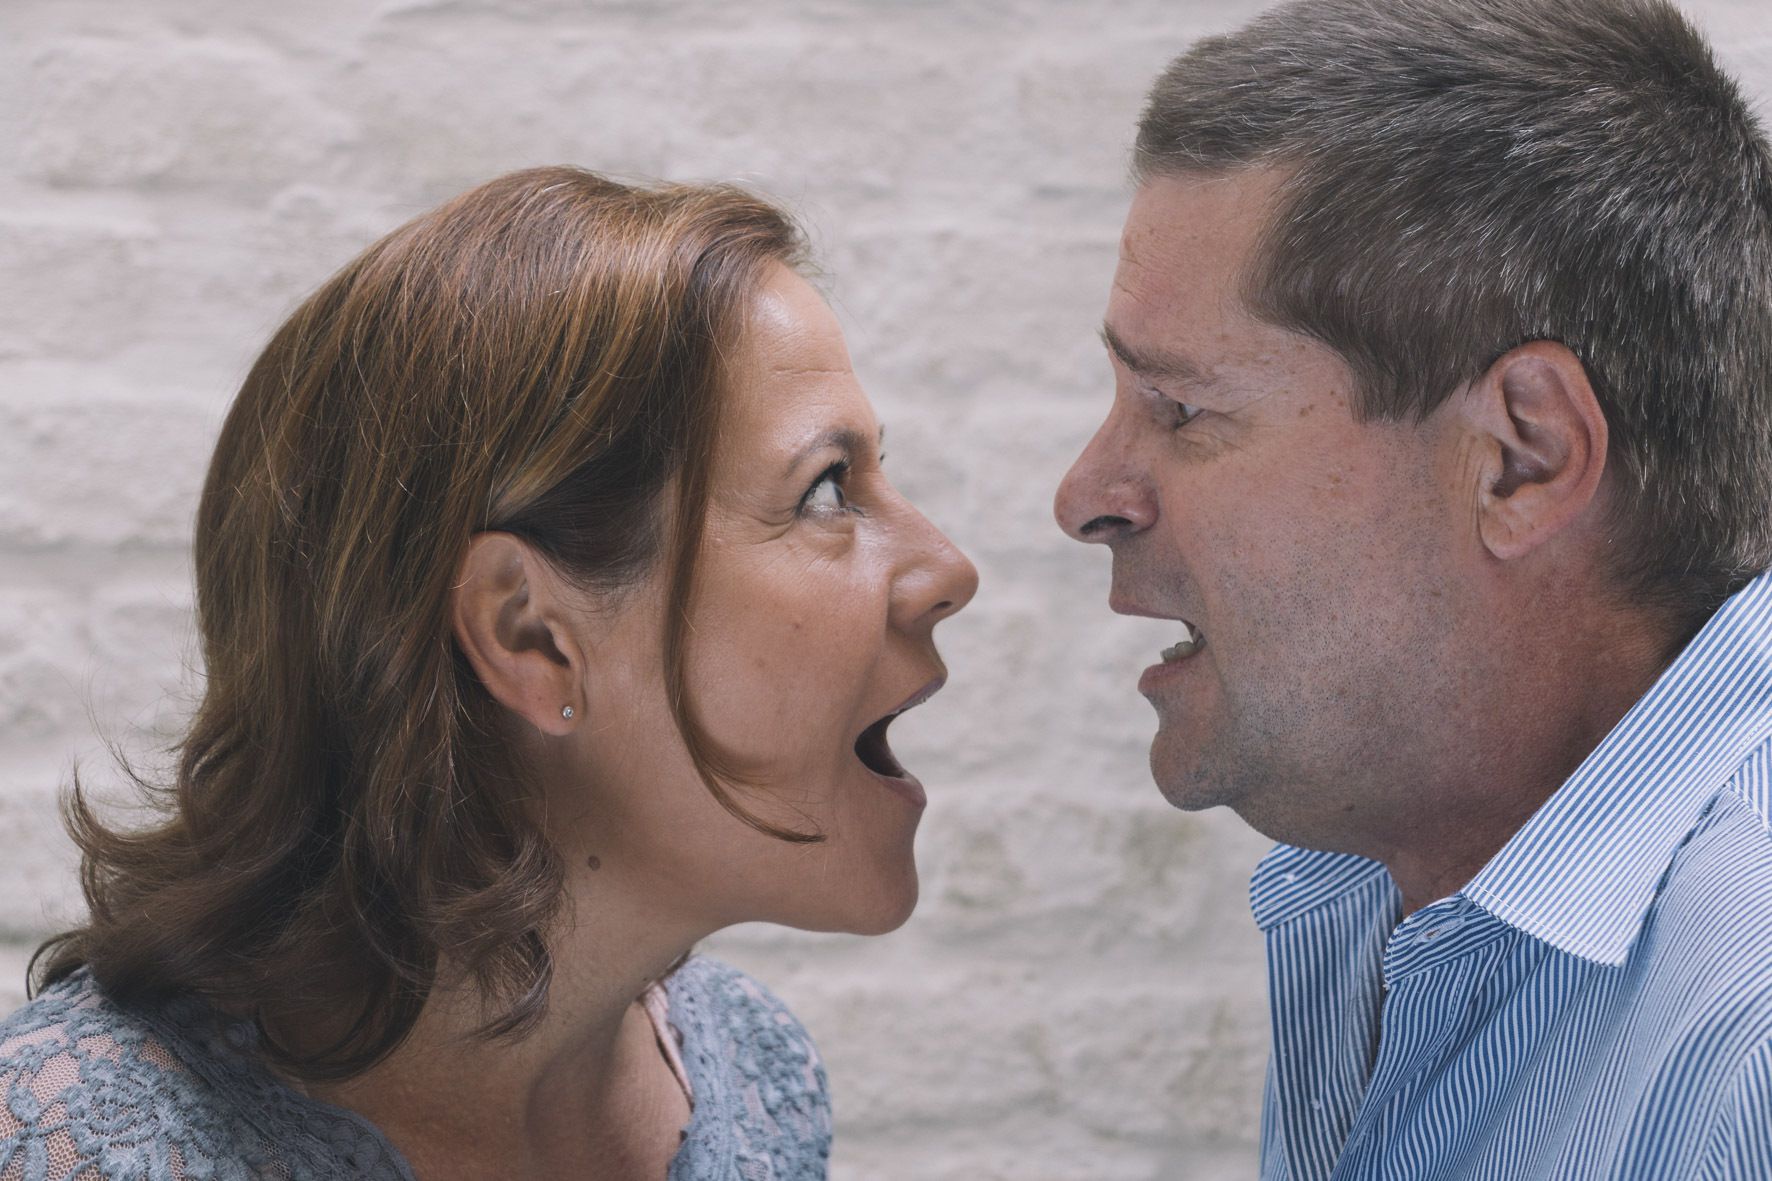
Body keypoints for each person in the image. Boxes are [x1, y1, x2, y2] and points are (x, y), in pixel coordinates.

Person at [0, 166, 976, 1180]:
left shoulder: (753, 1074)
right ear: (529, 633)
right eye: (826, 489)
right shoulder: (62, 1146)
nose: (949, 570)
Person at [1055, 0, 1772, 1177]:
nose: (1085, 495)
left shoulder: (1746, 1045)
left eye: (1181, 409)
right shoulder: (1371, 885)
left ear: (1520, 456)